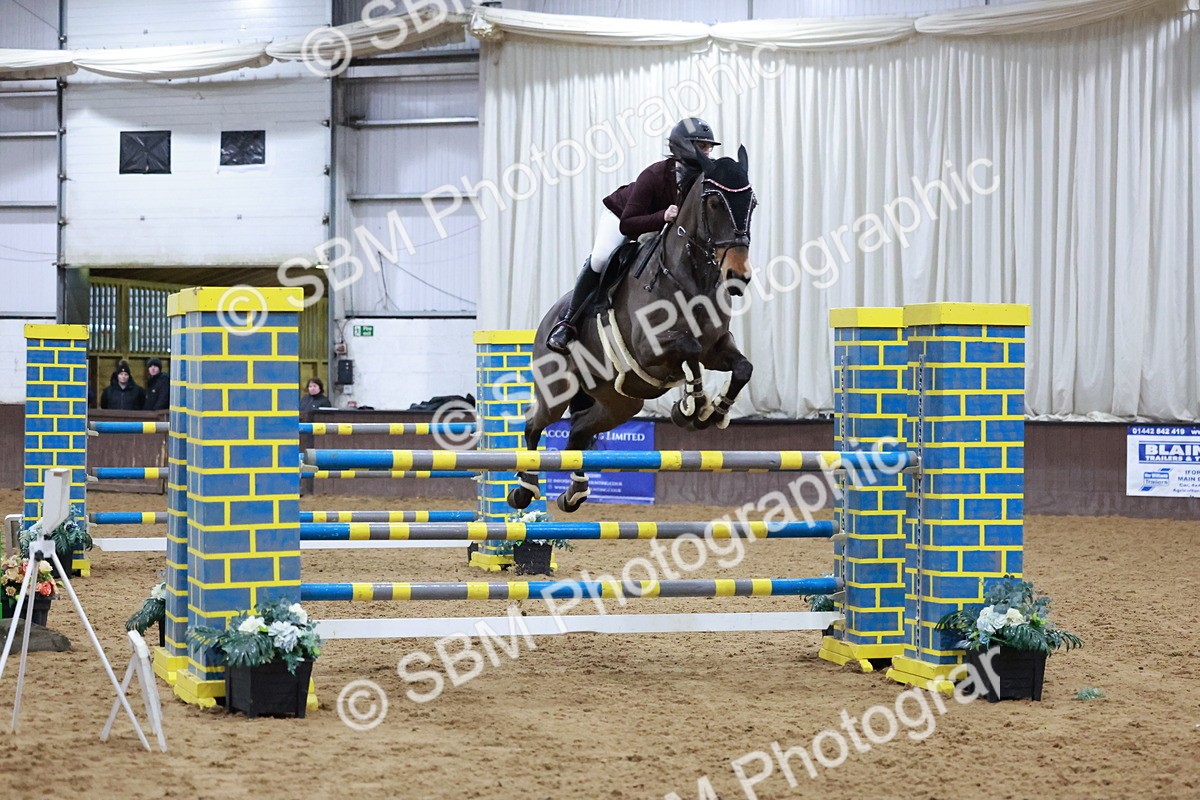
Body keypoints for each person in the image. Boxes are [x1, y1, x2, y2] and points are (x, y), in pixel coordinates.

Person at [547, 117, 720, 354]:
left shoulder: (702, 180)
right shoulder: (655, 175)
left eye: (709, 147)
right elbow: (628, 224)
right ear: (684, 147)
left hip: (658, 226)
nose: (708, 152)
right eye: (703, 146)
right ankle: (567, 323)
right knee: (600, 258)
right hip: (622, 216)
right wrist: (662, 216)